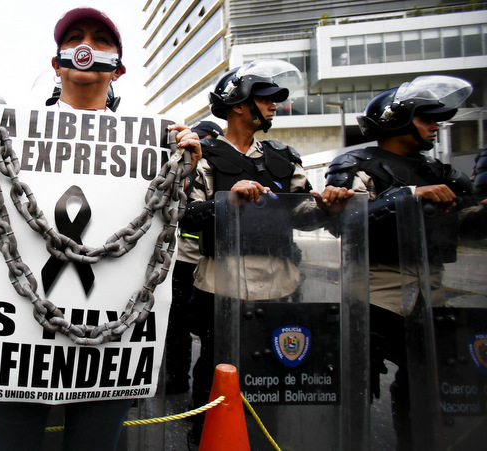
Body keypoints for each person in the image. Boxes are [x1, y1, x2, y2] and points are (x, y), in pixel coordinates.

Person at [0, 7, 200, 451]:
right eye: (75, 37)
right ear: (57, 61)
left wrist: (185, 167)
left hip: (109, 347)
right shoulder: (11, 131)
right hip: (16, 341)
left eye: (100, 39)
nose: (86, 45)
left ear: (118, 66)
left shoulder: (153, 139)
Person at [179, 59, 352, 448]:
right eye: (266, 98)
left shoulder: (283, 157)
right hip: (222, 279)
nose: (275, 106)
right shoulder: (202, 155)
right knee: (215, 369)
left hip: (280, 281)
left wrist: (328, 206)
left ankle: (263, 437)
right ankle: (202, 438)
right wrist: (229, 201)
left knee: (273, 371)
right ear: (239, 103)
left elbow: (302, 214)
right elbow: (186, 213)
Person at [324, 75, 475, 450]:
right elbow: (344, 222)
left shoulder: (439, 170)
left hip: (431, 289)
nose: (435, 127)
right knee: (357, 387)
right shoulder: (356, 163)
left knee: (425, 383)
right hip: (376, 291)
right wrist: (408, 195)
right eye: (426, 119)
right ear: (398, 120)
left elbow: (466, 219)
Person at [166, 120, 224, 395]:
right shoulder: (191, 166)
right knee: (176, 324)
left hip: (203, 261)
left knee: (199, 328)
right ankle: (177, 378)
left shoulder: (214, 169)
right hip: (181, 260)